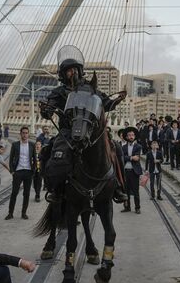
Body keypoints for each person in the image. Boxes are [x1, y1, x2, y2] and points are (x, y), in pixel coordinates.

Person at [40, 45, 126, 203]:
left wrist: (118, 100)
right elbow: (49, 108)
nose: (72, 73)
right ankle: (55, 189)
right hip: (68, 131)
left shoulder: (90, 89)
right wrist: (46, 110)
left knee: (116, 148)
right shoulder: (59, 92)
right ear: (64, 74)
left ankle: (118, 186)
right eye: (68, 70)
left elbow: (106, 104)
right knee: (50, 150)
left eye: (74, 69)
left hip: (91, 130)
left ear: (80, 70)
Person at [6, 126, 35, 220]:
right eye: (23, 133)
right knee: (14, 193)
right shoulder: (15, 145)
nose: (25, 135)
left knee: (26, 194)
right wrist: (12, 171)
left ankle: (24, 213)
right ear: (20, 134)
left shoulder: (32, 145)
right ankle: (10, 213)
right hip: (18, 172)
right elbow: (11, 159)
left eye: (26, 133)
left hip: (28, 172)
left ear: (28, 134)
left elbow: (35, 158)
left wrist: (33, 171)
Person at [121, 127, 142, 214]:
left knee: (136, 191)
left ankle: (137, 207)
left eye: (132, 135)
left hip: (134, 172)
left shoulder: (138, 146)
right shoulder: (123, 147)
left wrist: (128, 157)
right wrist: (131, 157)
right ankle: (127, 207)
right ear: (126, 137)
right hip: (125, 171)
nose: (131, 137)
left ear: (134, 136)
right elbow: (122, 158)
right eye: (129, 135)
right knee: (126, 191)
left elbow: (137, 158)